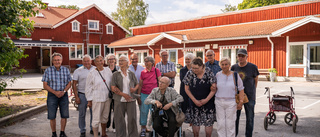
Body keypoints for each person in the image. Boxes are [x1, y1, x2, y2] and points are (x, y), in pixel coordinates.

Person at [183, 57, 217, 137]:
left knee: (208, 123)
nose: (194, 70)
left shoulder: (208, 72)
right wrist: (194, 100)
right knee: (195, 122)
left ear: (202, 66)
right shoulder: (190, 73)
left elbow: (214, 88)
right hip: (194, 101)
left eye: (196, 68)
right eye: (193, 68)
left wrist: (206, 100)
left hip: (208, 101)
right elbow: (186, 88)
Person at [42, 53, 72, 137]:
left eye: (58, 60)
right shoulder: (48, 70)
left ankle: (62, 132)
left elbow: (70, 83)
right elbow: (45, 85)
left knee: (64, 115)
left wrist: (64, 91)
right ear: (52, 61)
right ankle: (54, 133)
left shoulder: (66, 70)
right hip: (52, 95)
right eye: (55, 60)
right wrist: (55, 92)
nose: (57, 61)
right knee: (52, 116)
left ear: (61, 60)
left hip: (64, 95)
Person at [231, 49, 259, 137]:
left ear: (247, 56)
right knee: (235, 118)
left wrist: (252, 91)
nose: (241, 58)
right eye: (239, 56)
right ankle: (234, 134)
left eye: (243, 56)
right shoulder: (234, 67)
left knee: (250, 118)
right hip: (237, 97)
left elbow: (255, 81)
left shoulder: (253, 67)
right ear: (237, 57)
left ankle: (248, 135)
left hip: (249, 96)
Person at [110, 55, 139, 137]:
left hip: (131, 99)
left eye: (122, 60)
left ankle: (133, 135)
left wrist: (134, 89)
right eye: (119, 60)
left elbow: (137, 84)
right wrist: (123, 95)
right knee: (119, 120)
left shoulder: (131, 73)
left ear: (127, 62)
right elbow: (113, 87)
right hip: (119, 100)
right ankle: (120, 135)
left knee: (132, 119)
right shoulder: (115, 74)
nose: (121, 62)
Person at [215, 57, 245, 137]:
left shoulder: (235, 75)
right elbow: (214, 88)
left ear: (229, 65)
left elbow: (241, 89)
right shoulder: (217, 75)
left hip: (231, 102)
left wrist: (241, 102)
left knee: (230, 123)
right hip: (219, 102)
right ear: (220, 65)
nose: (224, 66)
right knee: (220, 123)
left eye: (226, 64)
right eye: (222, 64)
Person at [85, 55, 113, 137]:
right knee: (96, 119)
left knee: (105, 117)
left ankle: (104, 133)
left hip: (107, 98)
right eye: (98, 61)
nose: (100, 62)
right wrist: (89, 100)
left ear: (103, 61)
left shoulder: (108, 70)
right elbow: (88, 88)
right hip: (97, 98)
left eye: (101, 60)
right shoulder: (92, 73)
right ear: (95, 63)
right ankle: (96, 135)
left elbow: (112, 83)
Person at [72, 55, 96, 137]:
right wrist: (76, 97)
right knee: (82, 114)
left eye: (88, 61)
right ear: (82, 62)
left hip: (93, 95)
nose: (86, 63)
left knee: (94, 113)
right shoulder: (78, 71)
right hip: (82, 95)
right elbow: (74, 84)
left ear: (91, 61)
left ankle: (93, 129)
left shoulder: (95, 69)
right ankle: (82, 130)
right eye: (85, 61)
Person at [138, 56, 161, 137]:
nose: (146, 63)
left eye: (147, 61)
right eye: (145, 61)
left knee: (154, 113)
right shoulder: (143, 72)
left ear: (152, 62)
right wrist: (138, 96)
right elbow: (140, 84)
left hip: (154, 95)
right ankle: (143, 129)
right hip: (144, 94)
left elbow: (160, 82)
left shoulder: (156, 70)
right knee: (143, 112)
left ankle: (154, 130)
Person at [105, 54, 118, 133]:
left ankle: (115, 126)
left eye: (112, 59)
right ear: (107, 61)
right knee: (107, 110)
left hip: (116, 93)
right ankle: (107, 125)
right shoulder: (105, 70)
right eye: (109, 59)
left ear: (115, 60)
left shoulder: (118, 70)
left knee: (116, 110)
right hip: (107, 93)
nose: (111, 60)